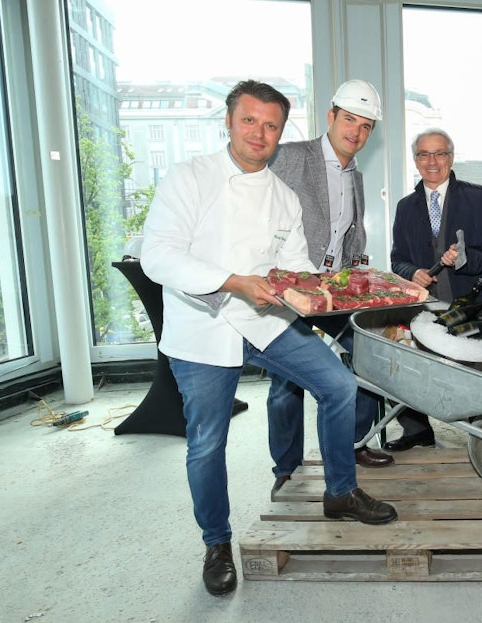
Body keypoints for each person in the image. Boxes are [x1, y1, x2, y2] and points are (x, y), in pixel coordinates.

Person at [140, 80, 397, 597]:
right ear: (229, 122)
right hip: (202, 324)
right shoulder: (189, 177)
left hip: (264, 318)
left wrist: (345, 287)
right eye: (249, 121)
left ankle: (340, 492)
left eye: (271, 125)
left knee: (338, 385)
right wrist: (233, 281)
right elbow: (158, 256)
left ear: (281, 132)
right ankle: (216, 542)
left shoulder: (282, 196)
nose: (259, 133)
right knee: (207, 443)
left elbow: (296, 264)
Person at [266, 79, 393, 491]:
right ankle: (286, 468)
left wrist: (359, 275)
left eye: (366, 125)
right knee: (286, 381)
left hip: (333, 289)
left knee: (368, 355)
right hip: (292, 286)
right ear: (331, 116)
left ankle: (353, 443)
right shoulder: (291, 157)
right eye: (350, 120)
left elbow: (350, 235)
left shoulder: (355, 175)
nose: (356, 131)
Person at [386, 128, 482, 450]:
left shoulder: (478, 197)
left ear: (451, 158)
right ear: (415, 160)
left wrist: (466, 258)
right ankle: (417, 430)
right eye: (424, 154)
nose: (432, 161)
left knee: (476, 374)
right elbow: (397, 260)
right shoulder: (405, 207)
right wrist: (413, 272)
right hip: (425, 308)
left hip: (473, 303)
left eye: (440, 153)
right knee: (409, 369)